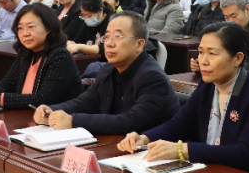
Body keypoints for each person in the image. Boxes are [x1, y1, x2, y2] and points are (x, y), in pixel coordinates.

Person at [119, 22, 249, 173]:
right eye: (200, 52)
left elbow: (244, 154)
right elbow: (178, 125)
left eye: (212, 53)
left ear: (237, 58)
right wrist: (145, 138)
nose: (202, 61)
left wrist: (182, 150)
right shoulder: (208, 86)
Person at [36, 13, 178, 135]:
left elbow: (130, 122)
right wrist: (52, 110)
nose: (109, 43)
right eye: (107, 37)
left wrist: (73, 121)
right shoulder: (108, 70)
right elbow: (85, 102)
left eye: (117, 36)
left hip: (151, 150)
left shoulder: (153, 78)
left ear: (139, 44)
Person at [0, 3, 83, 110]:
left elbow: (43, 99)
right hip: (26, 116)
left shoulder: (61, 56)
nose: (25, 33)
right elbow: (7, 83)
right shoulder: (26, 53)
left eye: (31, 27)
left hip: (57, 119)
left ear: (48, 28)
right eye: (20, 28)